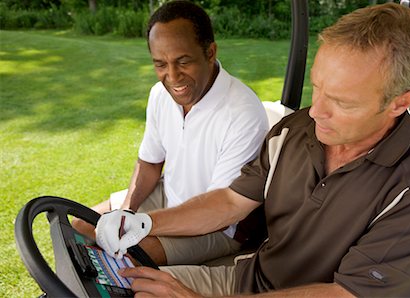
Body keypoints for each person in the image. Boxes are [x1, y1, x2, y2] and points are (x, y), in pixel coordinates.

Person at [95, 3, 410, 297]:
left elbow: (346, 295)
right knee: (122, 285)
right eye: (318, 88)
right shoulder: (294, 132)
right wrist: (143, 221)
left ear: (399, 104)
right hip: (247, 280)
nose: (316, 111)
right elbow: (232, 201)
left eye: (341, 102)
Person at [72, 0, 269, 266]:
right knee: (81, 225)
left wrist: (141, 225)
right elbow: (150, 163)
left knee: (131, 254)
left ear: (210, 52)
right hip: (170, 195)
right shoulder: (159, 95)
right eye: (160, 64)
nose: (172, 77)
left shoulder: (243, 112)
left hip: (220, 226)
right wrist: (127, 210)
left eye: (183, 61)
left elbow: (220, 208)